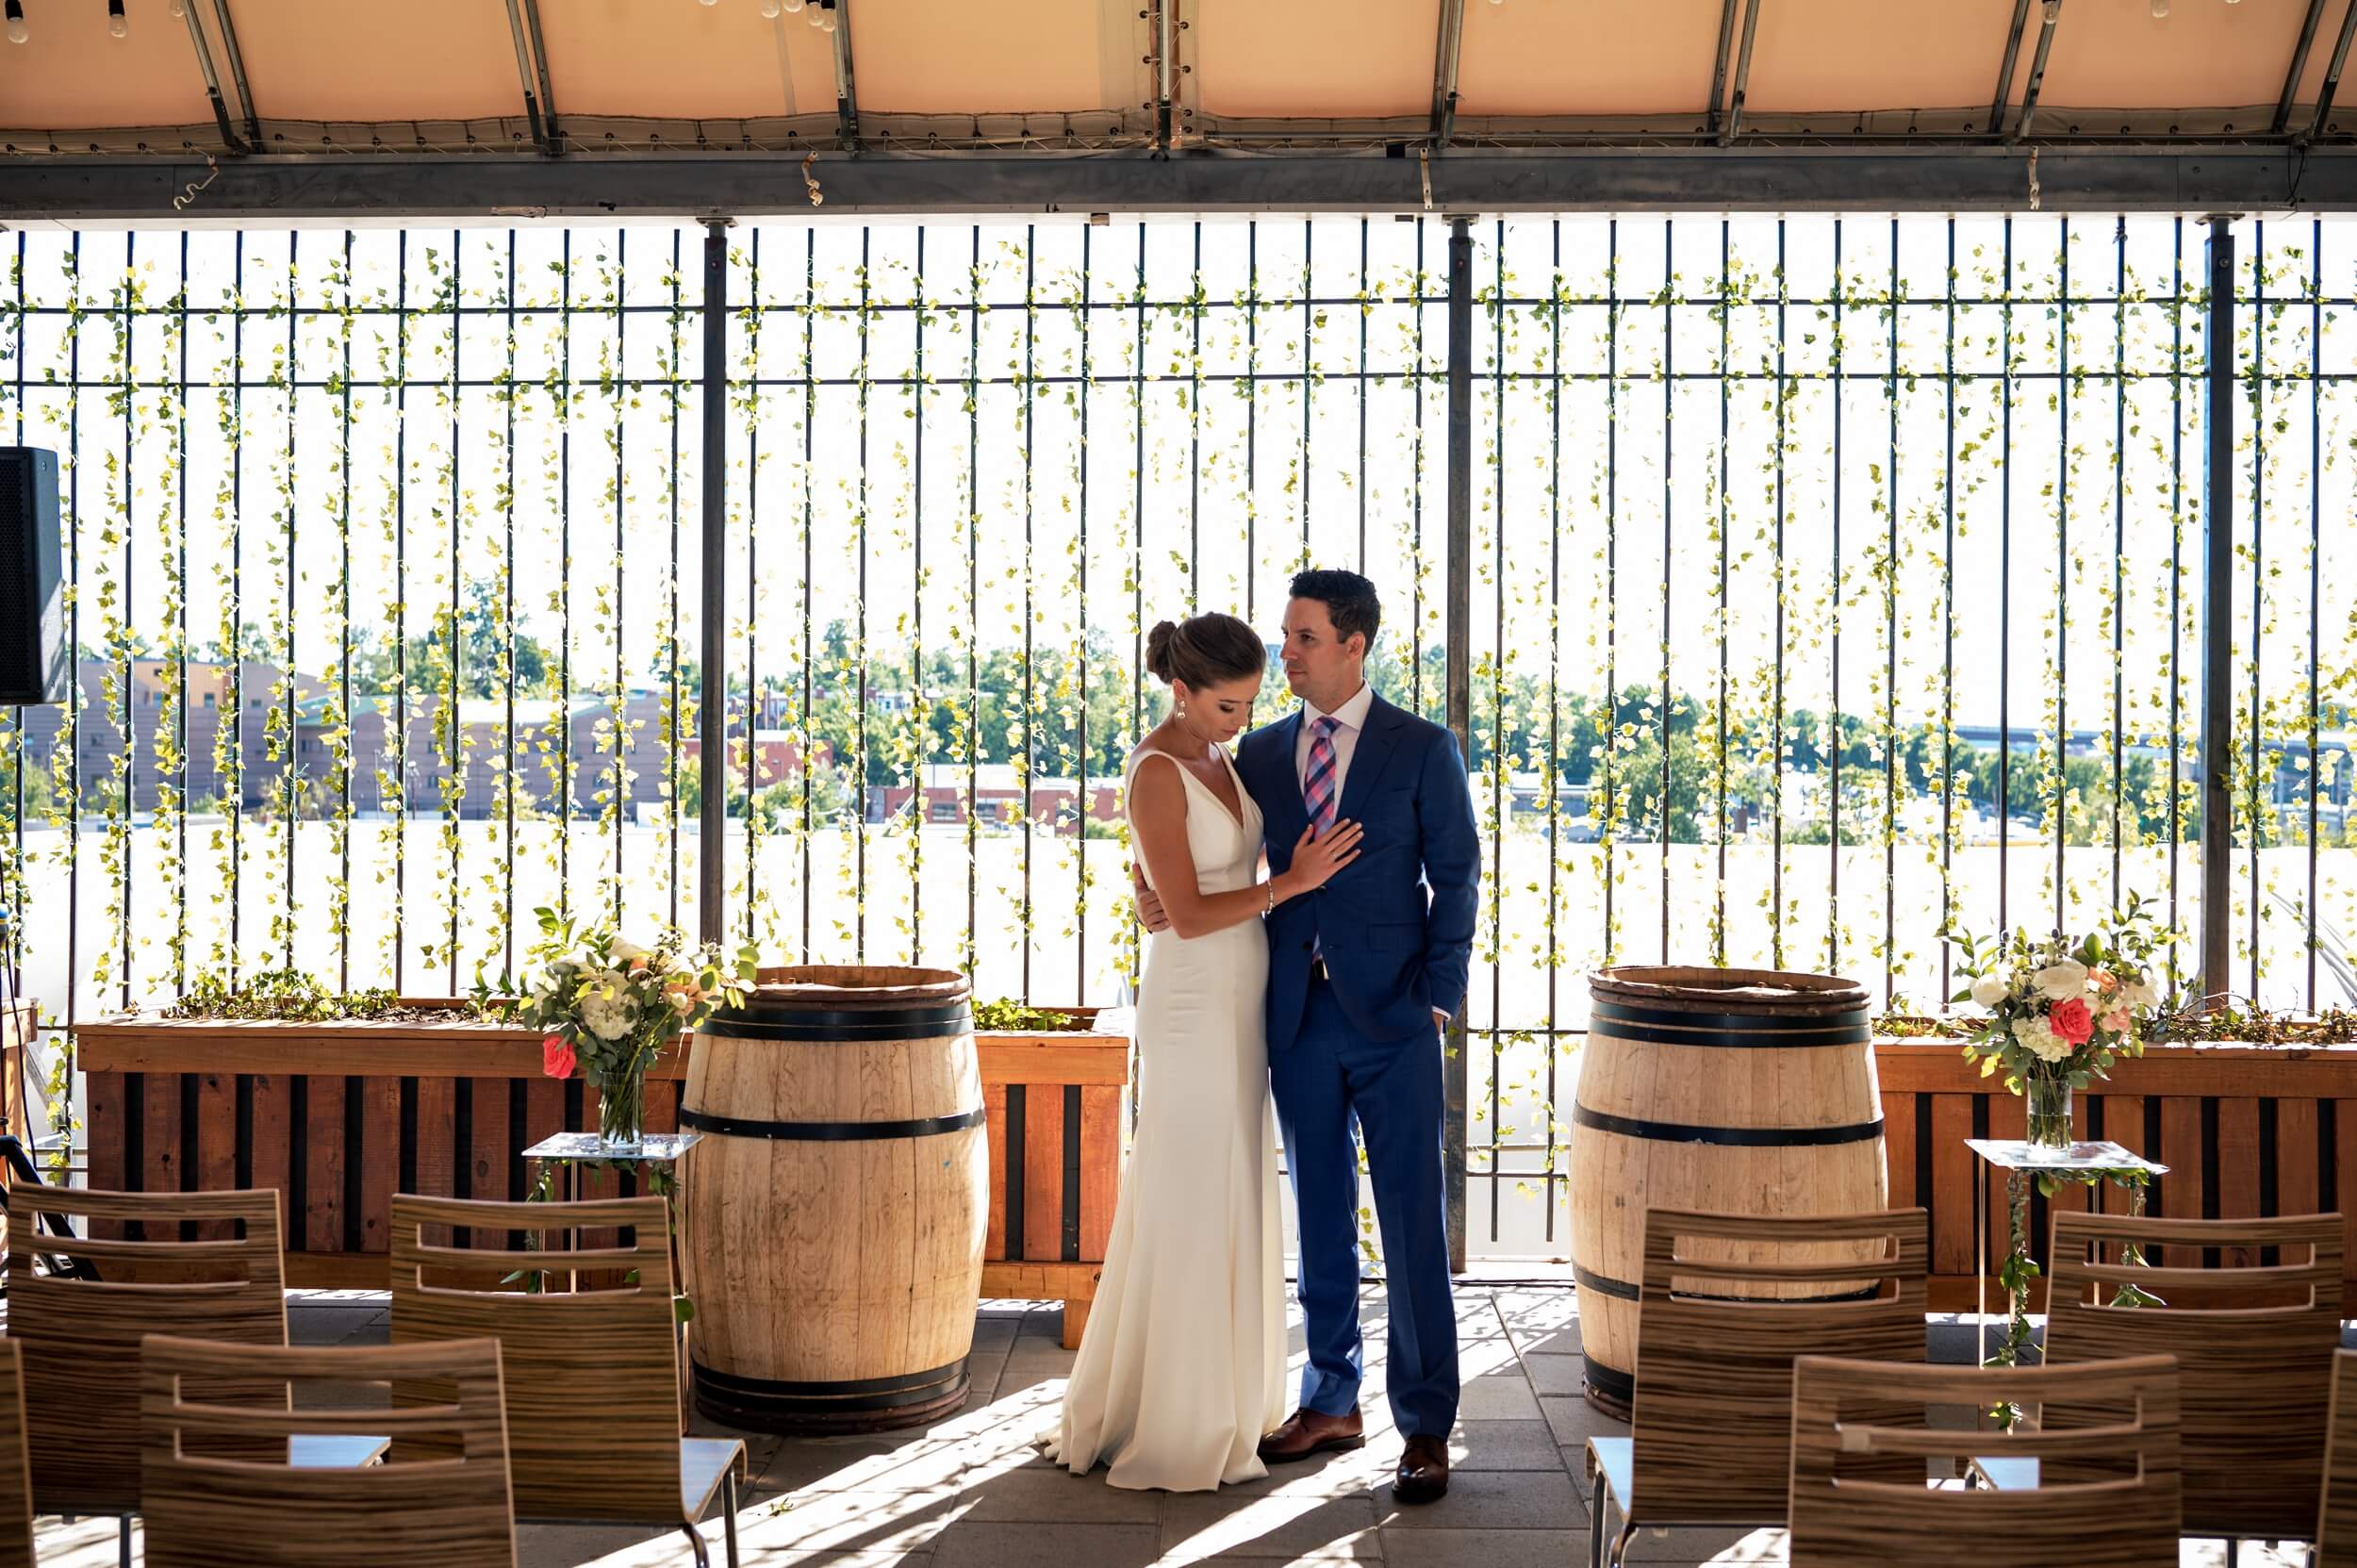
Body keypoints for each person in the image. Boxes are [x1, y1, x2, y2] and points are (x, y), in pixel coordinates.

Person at [1136, 569, 1479, 1506]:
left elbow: (1456, 875)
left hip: (1397, 1018)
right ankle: (1330, 1397)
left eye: (1299, 637)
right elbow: (1206, 855)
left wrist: (1438, 996)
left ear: (1352, 643)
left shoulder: (1421, 747)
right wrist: (1150, 901)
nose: (1282, 650)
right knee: (1319, 1214)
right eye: (1283, 635)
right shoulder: (1261, 752)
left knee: (1411, 1223)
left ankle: (1423, 1424)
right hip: (1291, 1018)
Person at [1049, 610, 1363, 1492]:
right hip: (1192, 1003)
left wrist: (1159, 880)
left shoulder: (1219, 754)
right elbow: (1184, 915)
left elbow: (1167, 877)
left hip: (1244, 996)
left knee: (1231, 1186)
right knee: (1189, 1190)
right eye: (1228, 707)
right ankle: (1175, 1414)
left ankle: (1227, 1396)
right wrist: (1290, 882)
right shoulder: (1155, 767)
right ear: (1180, 691)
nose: (1242, 721)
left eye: (1250, 704)